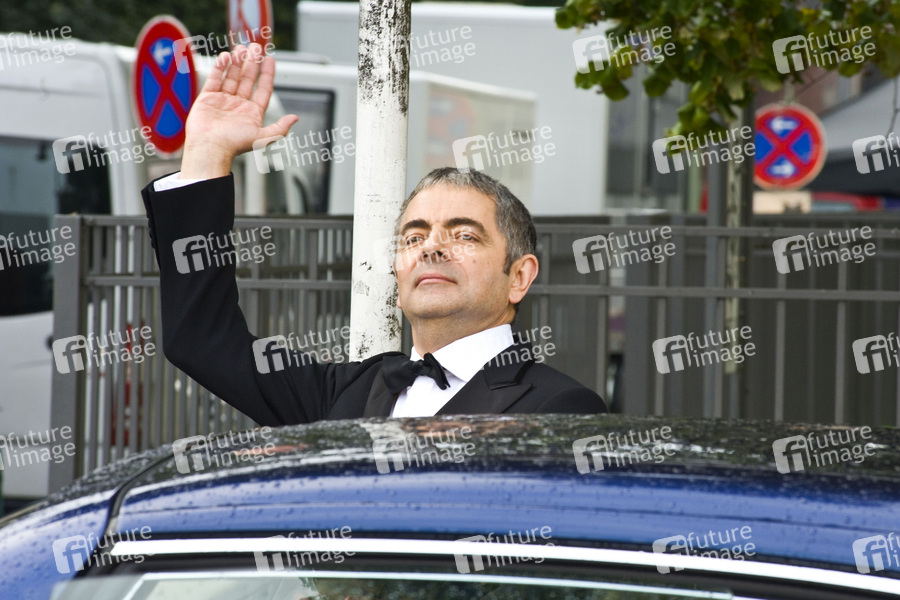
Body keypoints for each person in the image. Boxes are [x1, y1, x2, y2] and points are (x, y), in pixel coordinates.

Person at [141, 44, 605, 425]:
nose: (432, 247)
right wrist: (206, 154)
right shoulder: (347, 393)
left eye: (464, 235)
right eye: (413, 237)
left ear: (519, 276)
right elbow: (203, 341)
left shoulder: (561, 408)